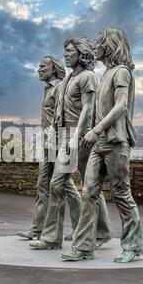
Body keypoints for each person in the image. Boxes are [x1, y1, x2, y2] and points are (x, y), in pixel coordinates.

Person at [62, 28, 143, 263]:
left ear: (110, 45)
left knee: (121, 194)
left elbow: (121, 107)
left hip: (116, 142)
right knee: (88, 192)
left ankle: (133, 245)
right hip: (100, 143)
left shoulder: (122, 73)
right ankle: (84, 247)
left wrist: (96, 130)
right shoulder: (105, 74)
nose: (95, 46)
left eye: (99, 42)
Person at [30, 35, 112, 250]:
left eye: (69, 51)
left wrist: (76, 137)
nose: (65, 55)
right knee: (59, 184)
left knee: (90, 186)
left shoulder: (88, 77)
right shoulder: (67, 79)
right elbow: (59, 109)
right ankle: (52, 238)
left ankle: (101, 232)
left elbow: (89, 107)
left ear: (81, 53)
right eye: (65, 51)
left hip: (80, 138)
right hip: (65, 136)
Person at [16, 55, 80, 241]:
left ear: (53, 69)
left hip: (58, 143)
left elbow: (66, 116)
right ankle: (37, 230)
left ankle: (80, 228)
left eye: (43, 66)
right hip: (46, 143)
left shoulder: (60, 87)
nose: (39, 69)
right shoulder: (48, 89)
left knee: (66, 186)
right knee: (42, 186)